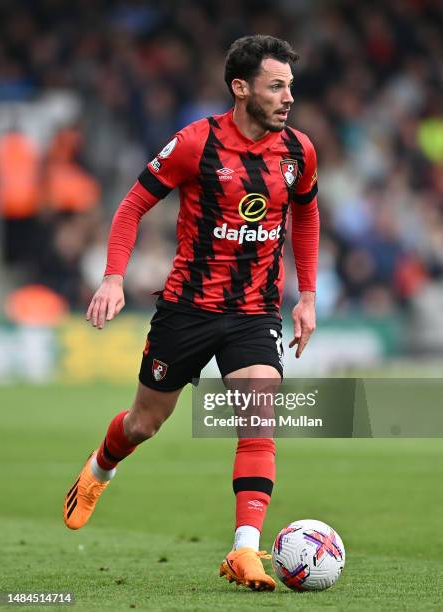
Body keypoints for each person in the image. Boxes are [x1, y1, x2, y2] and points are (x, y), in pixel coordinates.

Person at [63, 34, 319, 592]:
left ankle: (245, 550)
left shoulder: (298, 150)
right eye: (276, 86)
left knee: (259, 417)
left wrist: (308, 295)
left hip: (255, 312)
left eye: (290, 87)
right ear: (241, 88)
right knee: (144, 423)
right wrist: (113, 277)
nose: (287, 97)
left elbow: (305, 216)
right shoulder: (194, 144)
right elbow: (132, 205)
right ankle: (101, 466)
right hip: (187, 310)